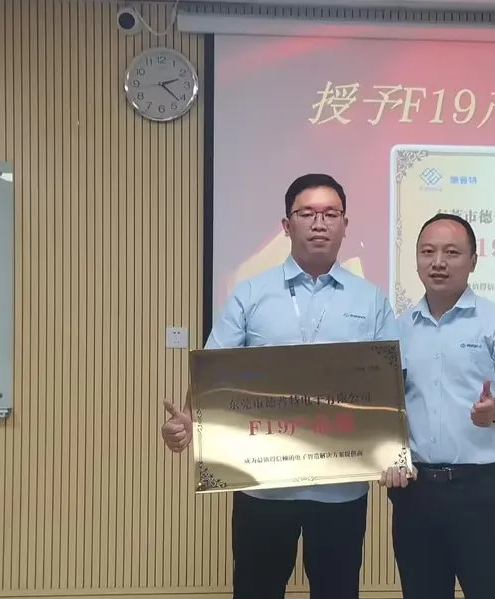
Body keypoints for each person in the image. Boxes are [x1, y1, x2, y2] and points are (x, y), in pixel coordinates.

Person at [160, 173, 399, 599]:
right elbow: (214, 369)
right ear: (287, 225)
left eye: (331, 214)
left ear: (345, 224)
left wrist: (394, 452)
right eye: (307, 213)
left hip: (340, 489)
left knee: (337, 590)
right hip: (263, 487)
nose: (319, 223)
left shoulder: (371, 300)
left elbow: (389, 386)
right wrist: (188, 421)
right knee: (257, 589)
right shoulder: (250, 294)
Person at [381, 212, 495, 599]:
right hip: (416, 493)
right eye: (427, 252)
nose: (438, 262)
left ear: (473, 260)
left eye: (451, 252)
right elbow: (386, 407)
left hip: (478, 491)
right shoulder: (398, 329)